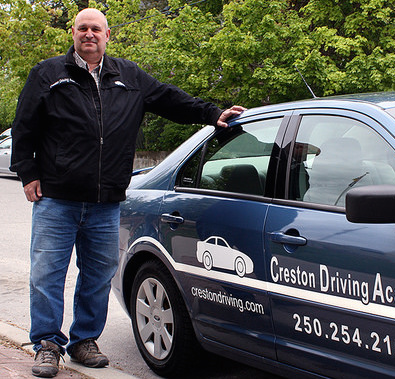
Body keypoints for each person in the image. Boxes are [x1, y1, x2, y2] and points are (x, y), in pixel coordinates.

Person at [10, 8, 244, 378]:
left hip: (106, 202)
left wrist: (212, 113)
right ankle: (47, 345)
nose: (89, 35)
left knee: (98, 274)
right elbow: (24, 127)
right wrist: (28, 173)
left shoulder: (129, 76)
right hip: (57, 198)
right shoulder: (48, 74)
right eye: (83, 29)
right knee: (47, 274)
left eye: (96, 29)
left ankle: (84, 341)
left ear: (107, 35)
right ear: (72, 33)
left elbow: (170, 99)